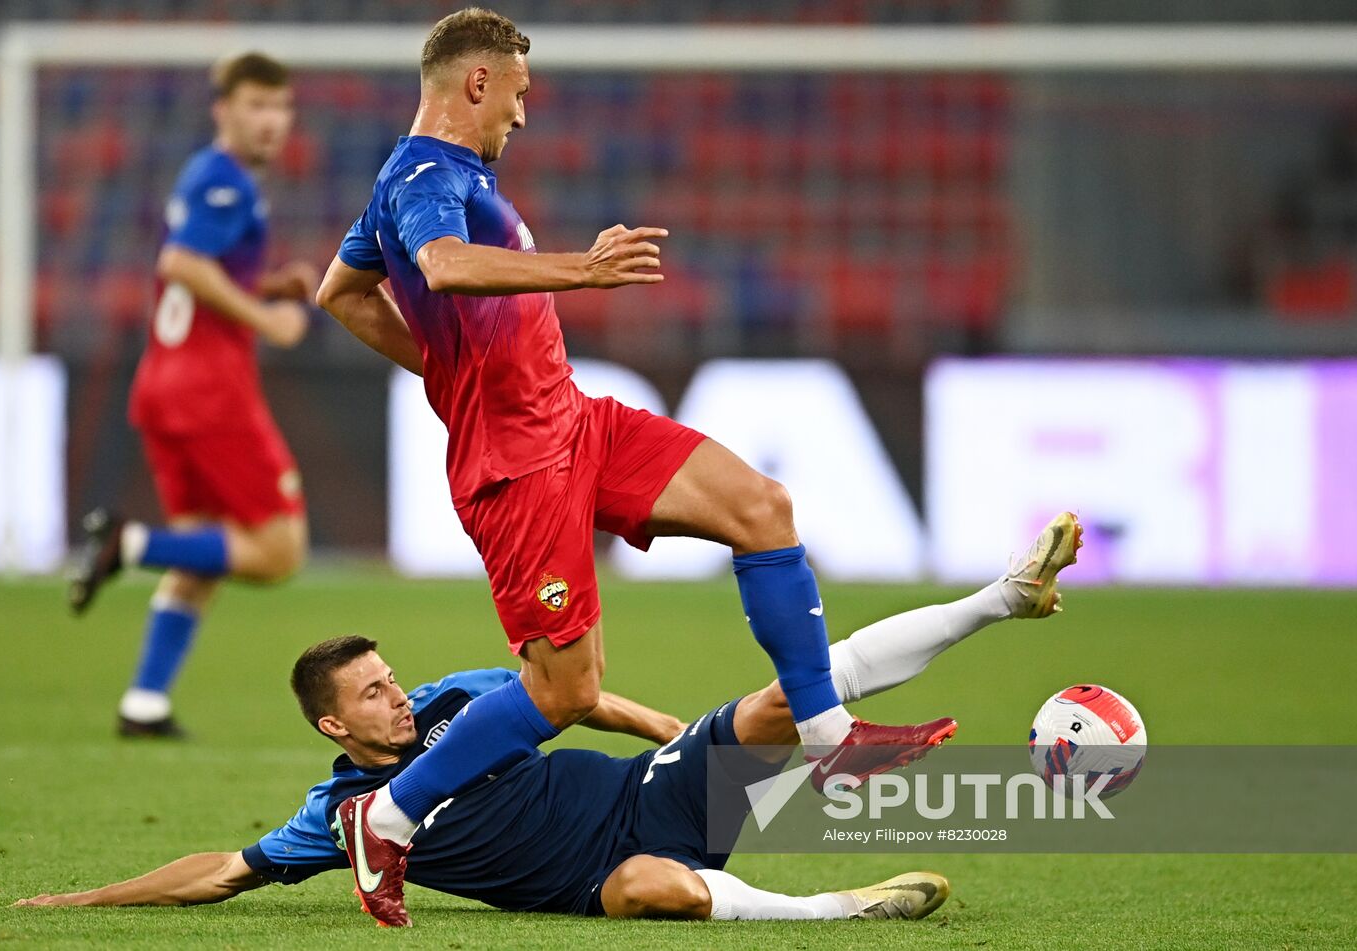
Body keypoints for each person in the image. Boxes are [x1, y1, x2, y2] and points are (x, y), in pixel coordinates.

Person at [314, 8, 982, 923]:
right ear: (476, 83)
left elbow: (339, 291)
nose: (522, 111)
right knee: (566, 692)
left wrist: (447, 365)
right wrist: (578, 275)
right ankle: (387, 816)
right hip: (517, 461)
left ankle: (828, 739)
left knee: (761, 506)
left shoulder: (432, 176)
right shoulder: (426, 174)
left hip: (577, 421)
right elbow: (441, 265)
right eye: (516, 91)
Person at [17, 513, 1082, 925]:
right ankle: (841, 910)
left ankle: (1001, 596)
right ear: (334, 728)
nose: (398, 692)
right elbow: (224, 868)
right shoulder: (335, 811)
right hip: (595, 877)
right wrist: (85, 898)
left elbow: (588, 699)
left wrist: (690, 739)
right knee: (644, 892)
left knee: (776, 702)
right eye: (373, 693)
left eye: (389, 676)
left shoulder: (460, 700)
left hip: (647, 790)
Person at [66, 53, 319, 739]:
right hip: (211, 394)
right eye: (256, 106)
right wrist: (268, 318)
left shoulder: (211, 178)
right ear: (223, 109)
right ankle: (128, 540)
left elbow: (197, 272)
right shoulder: (225, 182)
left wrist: (267, 285)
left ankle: (143, 702)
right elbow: (179, 262)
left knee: (208, 546)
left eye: (280, 107)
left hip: (165, 388)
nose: (271, 121)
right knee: (277, 550)